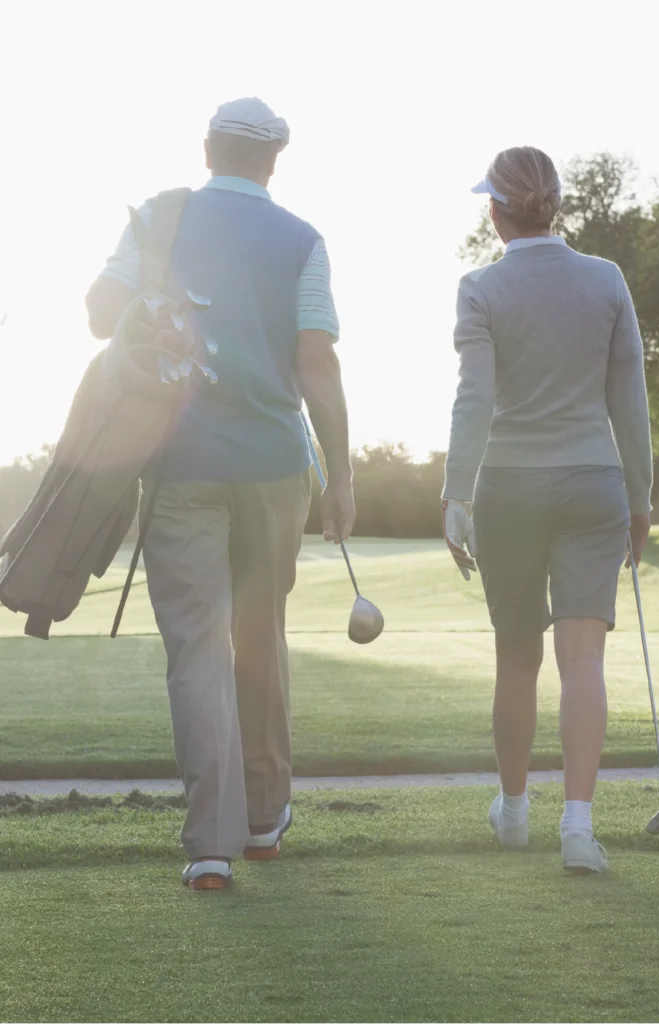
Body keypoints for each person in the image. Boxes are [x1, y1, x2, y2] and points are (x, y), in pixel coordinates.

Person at [86, 98, 355, 890]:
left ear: (207, 149)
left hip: (181, 465)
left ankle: (210, 845)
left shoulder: (161, 219)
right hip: (277, 467)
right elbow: (318, 368)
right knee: (259, 635)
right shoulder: (303, 240)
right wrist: (341, 476)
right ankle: (265, 820)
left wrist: (156, 287)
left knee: (197, 649)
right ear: (275, 161)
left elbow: (99, 315)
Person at [442, 146, 653, 874]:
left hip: (507, 487)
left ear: (495, 211)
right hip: (595, 482)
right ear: (553, 206)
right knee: (583, 655)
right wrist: (641, 497)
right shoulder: (605, 279)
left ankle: (514, 813)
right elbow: (629, 396)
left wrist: (454, 494)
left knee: (516, 656)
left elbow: (473, 400)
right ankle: (576, 826)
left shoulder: (479, 287)